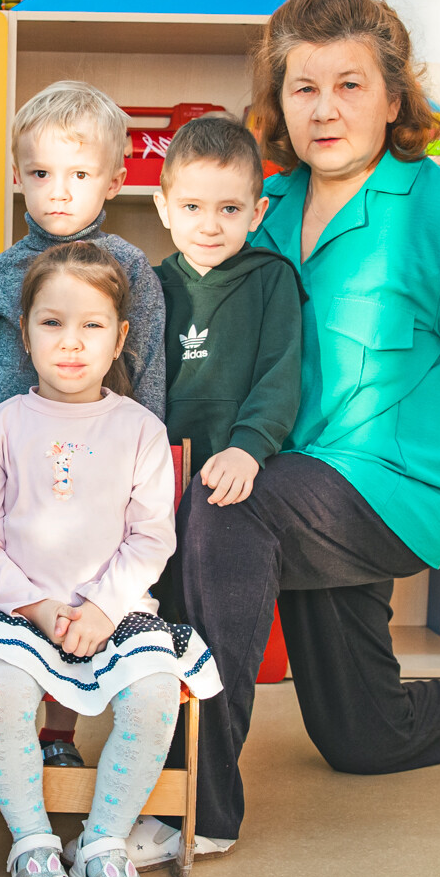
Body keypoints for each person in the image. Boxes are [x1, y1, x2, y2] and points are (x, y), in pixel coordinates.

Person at [149, 0, 440, 872]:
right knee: (364, 734)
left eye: (351, 85)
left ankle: (193, 801)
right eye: (303, 88)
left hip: (400, 489)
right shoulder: (260, 208)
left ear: (395, 98)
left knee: (223, 508)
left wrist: (421, 406)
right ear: (278, 102)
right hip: (294, 477)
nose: (324, 109)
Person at [0, 243, 220, 877]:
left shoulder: (141, 430)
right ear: (25, 334)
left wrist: (102, 608)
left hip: (118, 612)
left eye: (92, 326)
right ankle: (33, 843)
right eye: (52, 324)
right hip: (22, 612)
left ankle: (102, 843)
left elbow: (152, 537)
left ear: (120, 338)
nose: (71, 343)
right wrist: (41, 608)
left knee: (155, 693)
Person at [0, 79, 166, 770]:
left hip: (99, 470)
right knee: (22, 591)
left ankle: (60, 736)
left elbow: (147, 370)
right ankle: (15, 728)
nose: (59, 192)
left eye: (79, 175)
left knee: (82, 584)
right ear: (18, 176)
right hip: (12, 469)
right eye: (41, 174)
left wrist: (144, 463)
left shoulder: (131, 269)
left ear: (114, 181)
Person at [147, 115, 303, 624]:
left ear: (257, 212)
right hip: (154, 478)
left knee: (215, 610)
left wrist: (248, 449)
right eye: (191, 207)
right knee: (154, 609)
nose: (209, 225)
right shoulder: (148, 286)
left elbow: (281, 375)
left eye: (229, 209)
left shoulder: (272, 279)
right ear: (164, 208)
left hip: (235, 475)